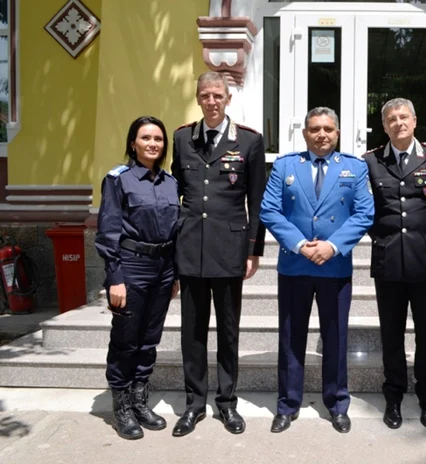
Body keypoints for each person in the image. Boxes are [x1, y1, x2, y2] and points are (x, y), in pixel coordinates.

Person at [260, 107, 374, 434]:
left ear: (337, 133)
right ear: (305, 133)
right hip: (296, 264)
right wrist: (299, 244)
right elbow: (269, 210)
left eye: (328, 129)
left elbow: (364, 213)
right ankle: (287, 405)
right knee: (291, 338)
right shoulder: (285, 166)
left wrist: (332, 246)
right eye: (315, 129)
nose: (321, 134)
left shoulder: (354, 168)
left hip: (335, 266)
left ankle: (337, 403)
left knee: (336, 338)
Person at [170, 71, 267, 437]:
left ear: (228, 99)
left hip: (230, 250)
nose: (211, 101)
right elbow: (173, 194)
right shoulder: (182, 138)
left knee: (228, 331)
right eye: (205, 95)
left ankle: (226, 403)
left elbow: (255, 200)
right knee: (191, 332)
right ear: (198, 99)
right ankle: (194, 404)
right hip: (190, 248)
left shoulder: (249, 141)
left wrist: (253, 250)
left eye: (218, 96)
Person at [363, 98, 426, 430]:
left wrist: (424, 237)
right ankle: (394, 395)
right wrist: (389, 238)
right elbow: (367, 211)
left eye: (403, 117)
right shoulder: (371, 162)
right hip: (388, 258)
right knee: (391, 332)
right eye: (391, 119)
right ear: (385, 126)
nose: (398, 123)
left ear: (415, 121)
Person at [95, 116, 180, 440]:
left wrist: (174, 274)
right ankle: (122, 406)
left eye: (158, 138)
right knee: (126, 340)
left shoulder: (171, 183)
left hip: (162, 269)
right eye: (146, 138)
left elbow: (174, 231)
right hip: (130, 267)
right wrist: (114, 277)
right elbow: (108, 231)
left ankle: (140, 399)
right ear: (133, 142)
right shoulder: (119, 179)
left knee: (150, 339)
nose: (153, 143)